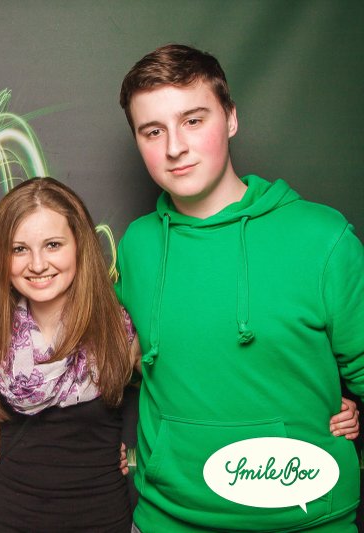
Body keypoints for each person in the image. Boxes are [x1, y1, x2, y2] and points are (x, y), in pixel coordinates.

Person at [116, 44, 364, 532]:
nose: (174, 147)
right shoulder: (138, 246)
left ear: (230, 118)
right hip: (166, 519)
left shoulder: (323, 238)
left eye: (193, 120)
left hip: (306, 520)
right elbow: (137, 362)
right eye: (153, 131)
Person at [0, 177, 136, 532]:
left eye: (53, 245)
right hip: (9, 518)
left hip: (102, 518)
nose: (37, 264)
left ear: (79, 246)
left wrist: (121, 451)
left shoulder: (120, 331)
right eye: (19, 249)